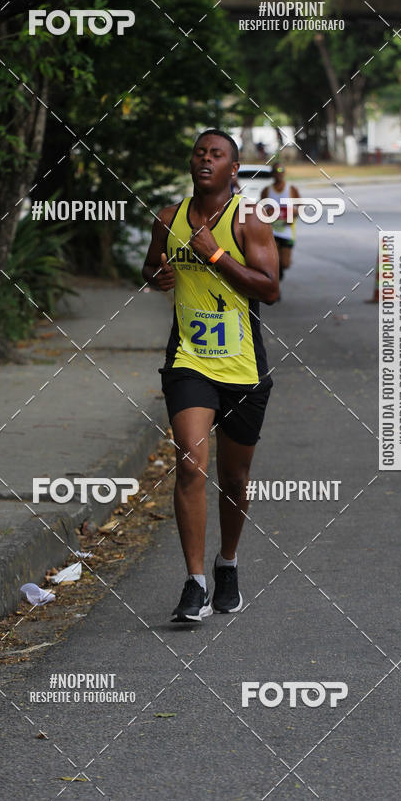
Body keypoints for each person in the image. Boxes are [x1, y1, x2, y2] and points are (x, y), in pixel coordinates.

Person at [142, 129, 279, 622]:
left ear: (232, 169)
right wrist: (156, 276)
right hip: (189, 361)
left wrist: (216, 255)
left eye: (216, 154)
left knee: (234, 476)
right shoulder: (169, 218)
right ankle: (194, 583)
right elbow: (150, 266)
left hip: (243, 366)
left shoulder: (250, 219)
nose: (205, 159)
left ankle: (228, 566)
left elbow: (270, 290)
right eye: (199, 152)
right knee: (190, 465)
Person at [260, 163, 301, 280]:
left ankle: (279, 273)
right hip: (271, 231)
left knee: (285, 264)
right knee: (274, 260)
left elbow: (300, 208)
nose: (279, 173)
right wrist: (267, 213)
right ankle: (275, 282)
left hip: (287, 231)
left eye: (281, 170)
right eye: (276, 171)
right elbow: (260, 210)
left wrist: (293, 213)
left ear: (284, 172)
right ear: (272, 174)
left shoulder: (291, 189)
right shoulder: (267, 191)